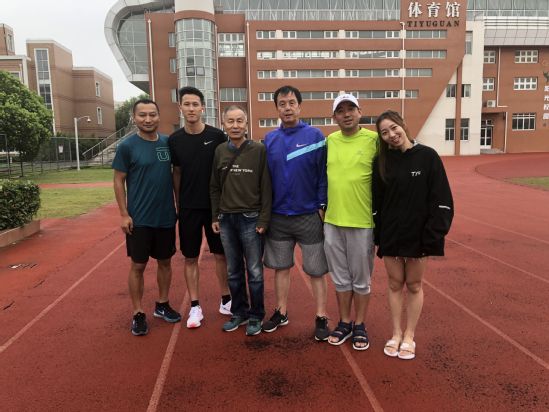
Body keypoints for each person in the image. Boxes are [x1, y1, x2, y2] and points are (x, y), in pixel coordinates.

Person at [372, 110, 453, 360]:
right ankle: (396, 333)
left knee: (415, 285)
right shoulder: (381, 162)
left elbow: (441, 198)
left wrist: (433, 235)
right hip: (392, 234)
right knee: (394, 284)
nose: (391, 134)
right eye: (384, 132)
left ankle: (409, 335)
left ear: (403, 125)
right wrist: (379, 234)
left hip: (419, 236)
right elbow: (377, 201)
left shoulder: (428, 156)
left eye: (394, 128)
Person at [262, 85, 330, 341]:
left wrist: (321, 205)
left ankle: (321, 316)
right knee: (280, 268)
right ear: (276, 108)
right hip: (279, 216)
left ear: (299, 106)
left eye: (291, 103)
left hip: (308, 215)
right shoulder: (269, 139)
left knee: (316, 270)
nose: (287, 108)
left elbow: (323, 174)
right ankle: (281, 312)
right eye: (282, 104)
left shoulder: (315, 136)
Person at [113, 98, 181, 336]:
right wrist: (124, 214)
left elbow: (176, 174)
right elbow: (118, 180)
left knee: (165, 262)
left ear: (159, 116)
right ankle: (138, 312)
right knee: (138, 265)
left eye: (152, 114)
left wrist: (178, 205)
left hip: (165, 216)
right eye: (142, 115)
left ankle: (162, 304)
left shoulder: (167, 143)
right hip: (139, 218)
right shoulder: (127, 147)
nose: (148, 119)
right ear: (134, 118)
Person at [168, 86, 230, 329]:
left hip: (215, 207)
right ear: (180, 107)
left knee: (221, 255)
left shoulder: (217, 136)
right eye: (187, 104)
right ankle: (195, 306)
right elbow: (177, 172)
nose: (191, 108)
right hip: (189, 208)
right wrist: (179, 202)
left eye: (195, 104)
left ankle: (226, 300)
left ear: (203, 107)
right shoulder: (175, 140)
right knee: (190, 257)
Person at [210, 105, 272, 336]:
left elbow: (266, 186)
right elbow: (214, 187)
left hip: (251, 218)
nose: (235, 125)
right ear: (223, 124)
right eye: (230, 121)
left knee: (254, 271)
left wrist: (264, 219)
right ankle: (239, 312)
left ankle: (256, 315)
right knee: (233, 271)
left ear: (246, 124)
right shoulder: (219, 151)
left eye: (239, 121)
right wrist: (215, 215)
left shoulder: (259, 150)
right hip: (226, 219)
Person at [324, 94, 378, 350]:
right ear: (334, 117)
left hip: (362, 222)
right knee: (340, 278)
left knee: (361, 280)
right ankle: (345, 322)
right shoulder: (330, 141)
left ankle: (360, 324)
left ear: (360, 112)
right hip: (332, 221)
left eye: (351, 109)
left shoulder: (374, 140)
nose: (346, 114)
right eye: (340, 111)